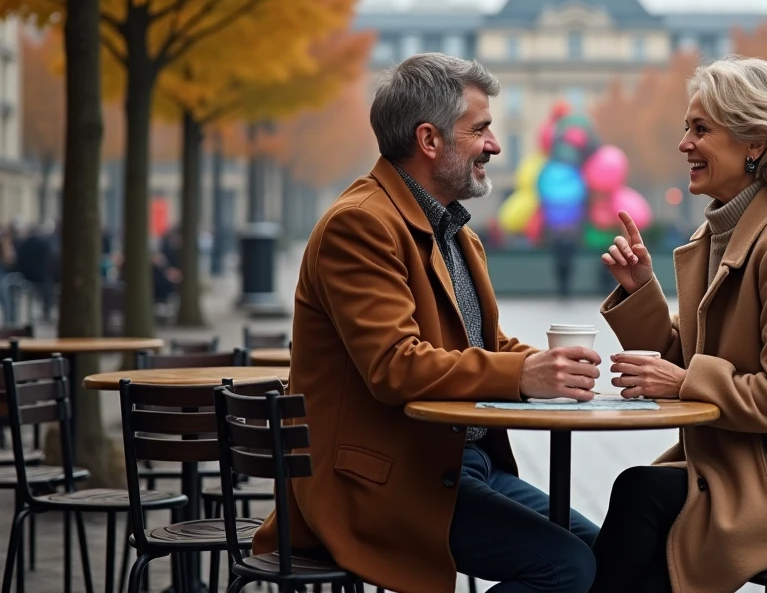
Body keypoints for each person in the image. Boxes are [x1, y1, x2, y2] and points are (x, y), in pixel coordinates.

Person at [251, 53, 601, 593]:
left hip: (457, 466)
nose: (495, 145)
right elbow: (394, 366)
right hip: (384, 484)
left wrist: (547, 364)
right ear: (429, 140)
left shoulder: (455, 231)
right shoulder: (361, 226)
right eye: (480, 129)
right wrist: (525, 376)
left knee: (602, 552)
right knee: (564, 568)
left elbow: (484, 343)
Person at [589, 56, 767, 593]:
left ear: (755, 143)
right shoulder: (720, 235)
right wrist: (641, 292)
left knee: (640, 499)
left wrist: (683, 383)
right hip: (742, 472)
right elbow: (688, 362)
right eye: (685, 128)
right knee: (640, 502)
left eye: (701, 129)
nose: (684, 144)